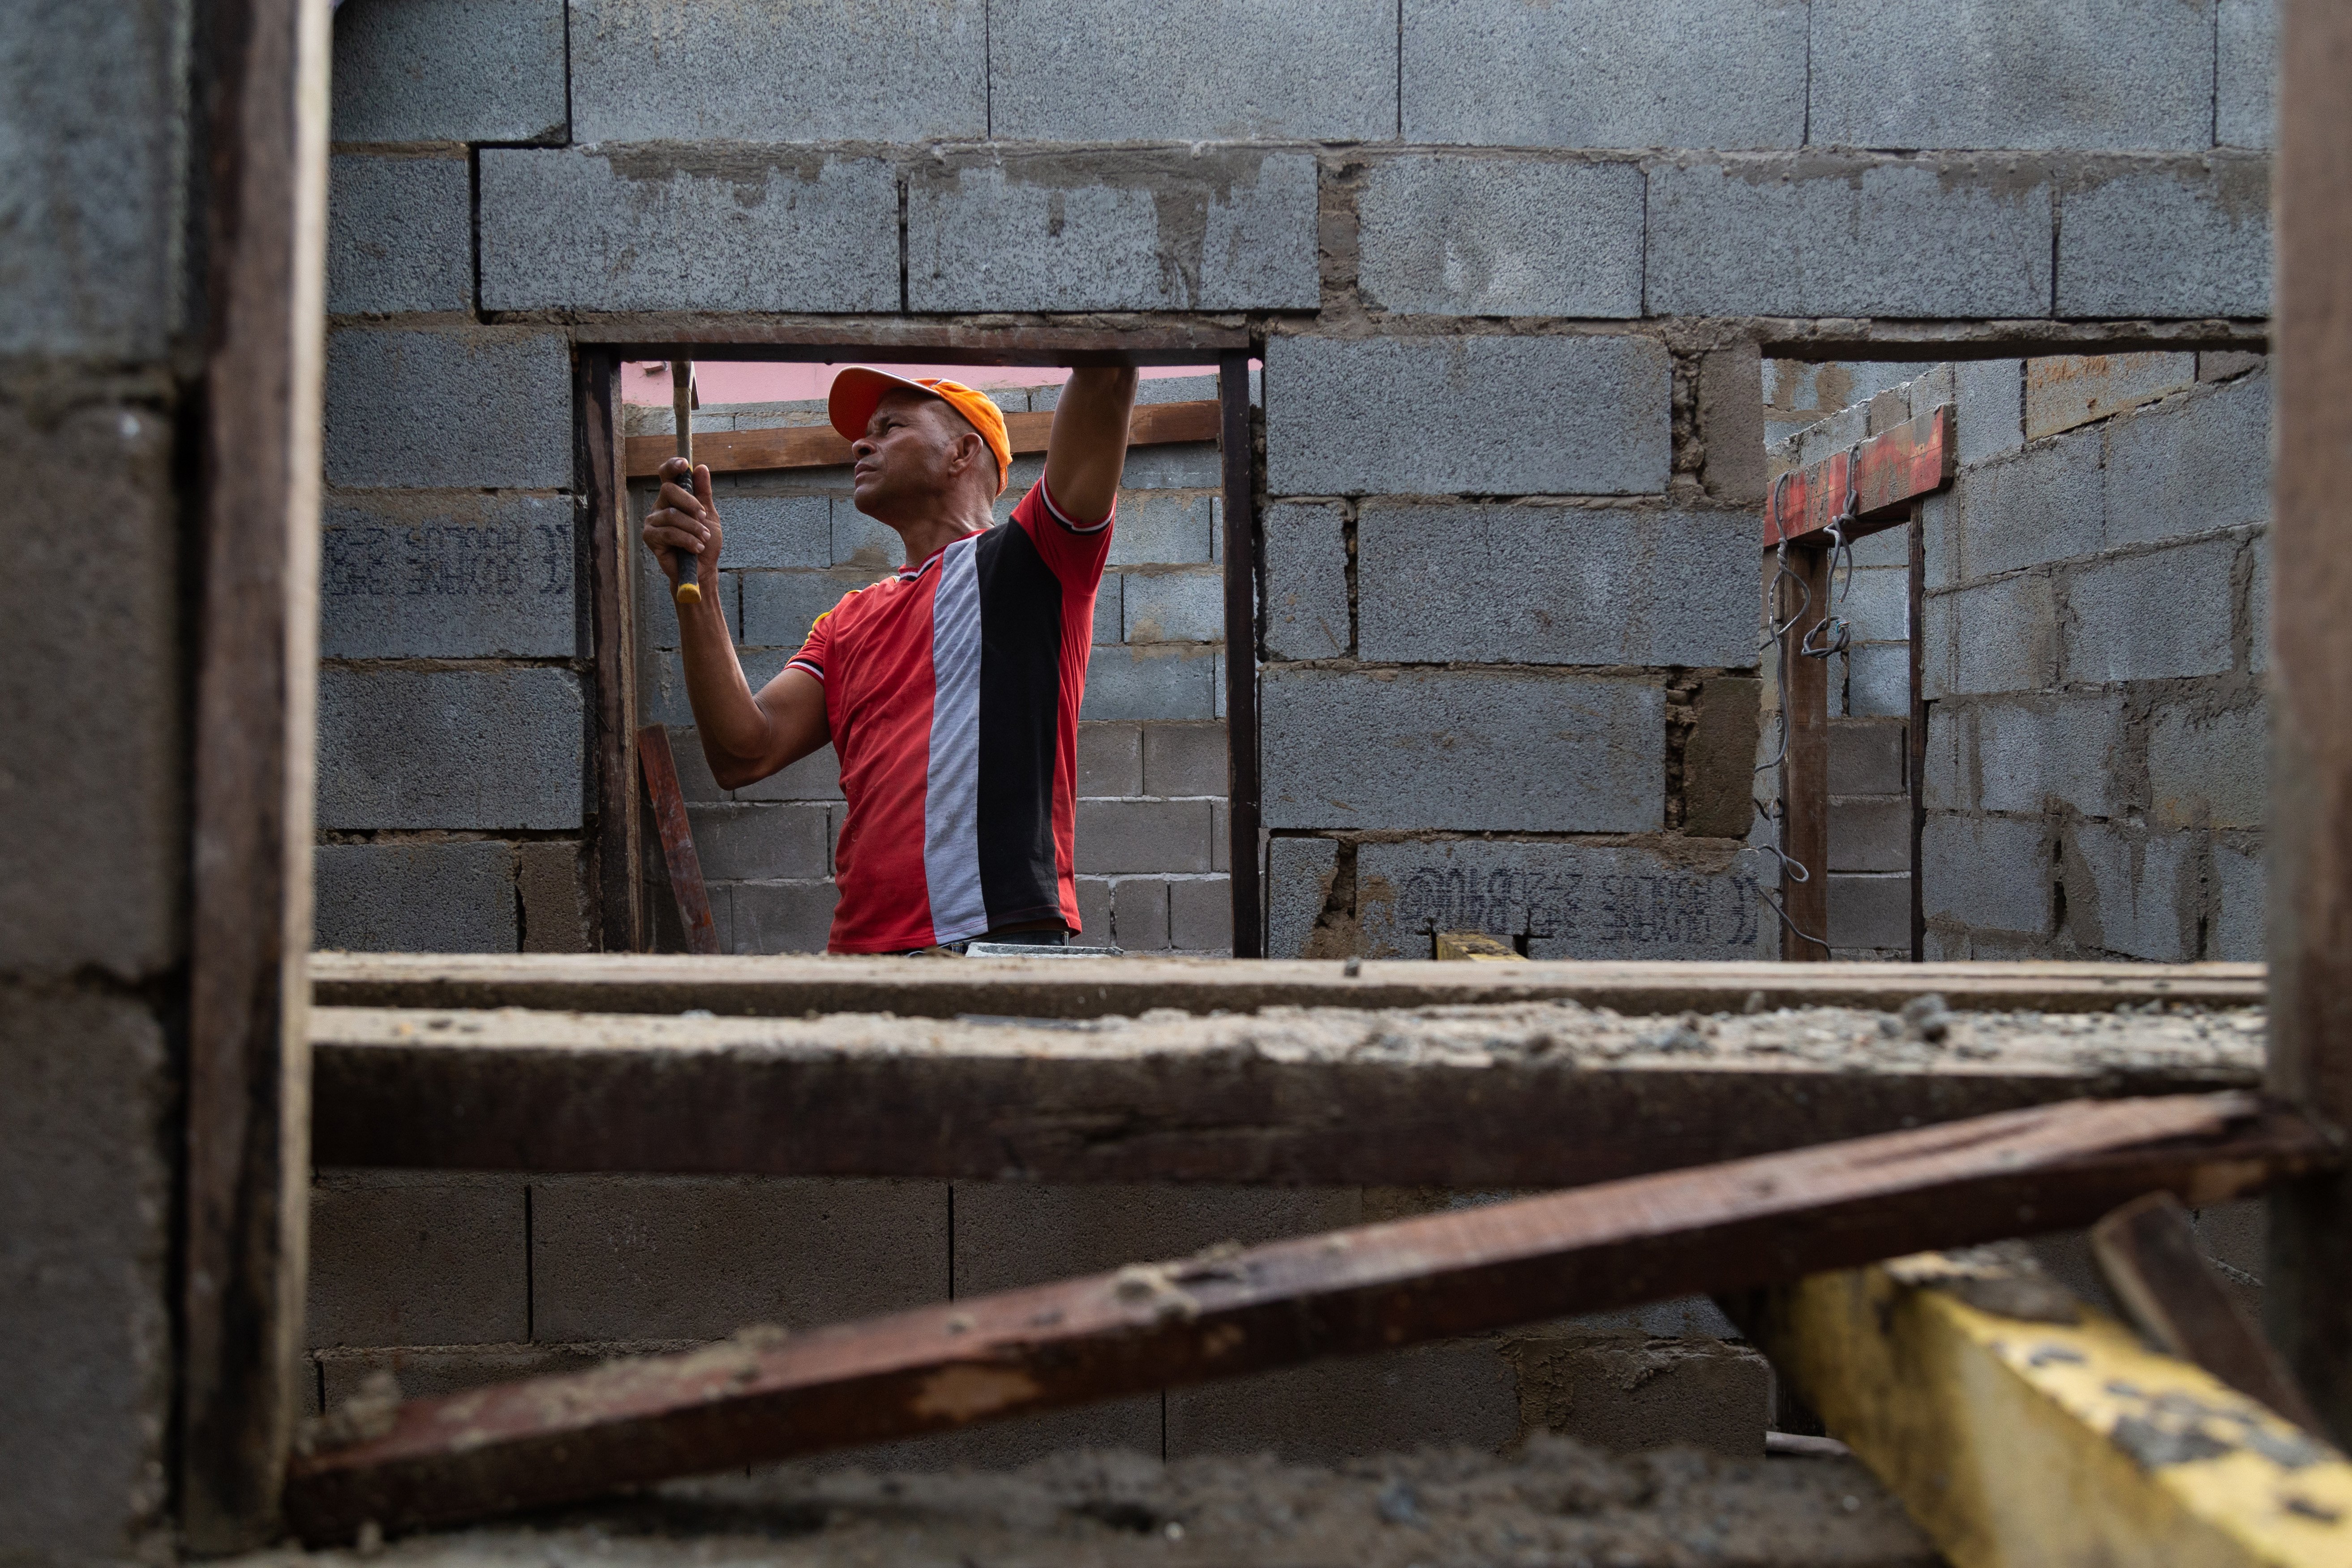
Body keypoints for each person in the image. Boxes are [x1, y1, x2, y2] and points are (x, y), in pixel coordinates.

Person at [642, 365, 1139, 954]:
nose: (860, 442)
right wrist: (697, 583)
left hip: (987, 949)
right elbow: (742, 752)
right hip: (861, 959)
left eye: (890, 426)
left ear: (962, 451)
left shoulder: (1035, 564)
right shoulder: (846, 622)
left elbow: (1107, 376)